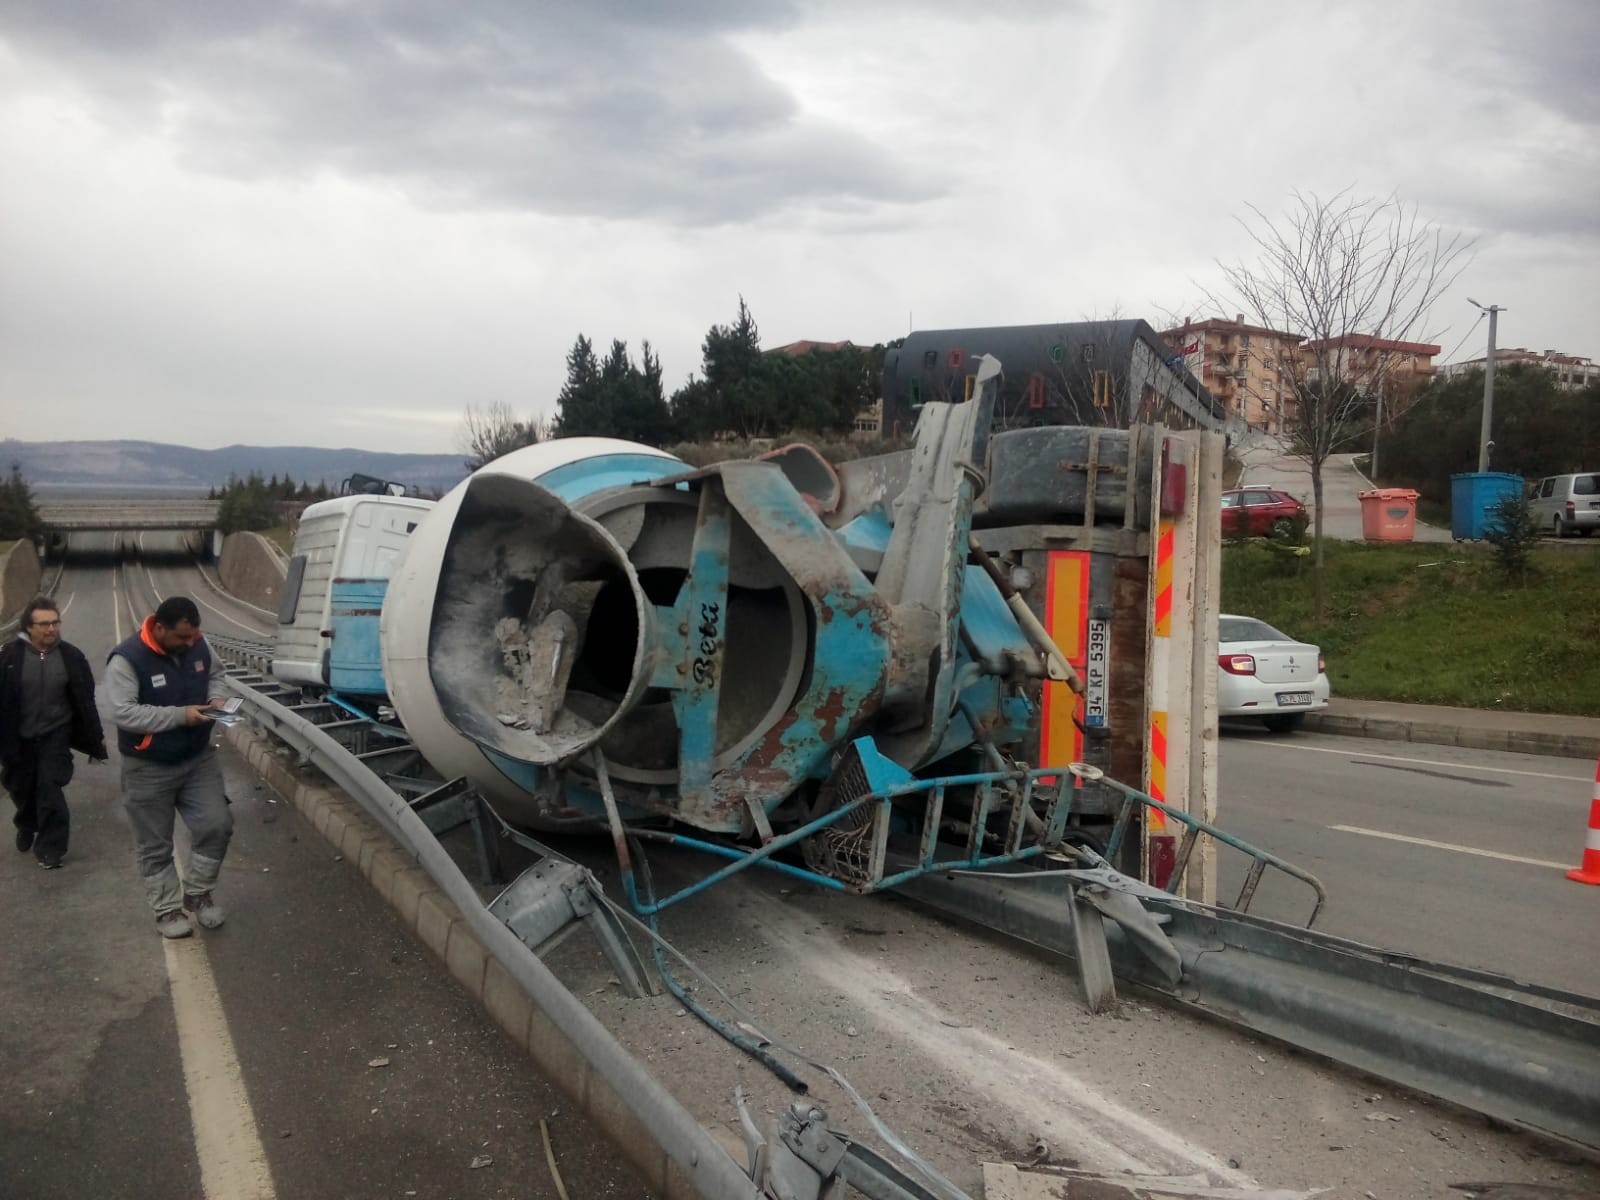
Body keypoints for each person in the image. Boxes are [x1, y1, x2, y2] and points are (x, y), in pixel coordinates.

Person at [106, 595, 234, 939]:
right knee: (154, 843)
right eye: (181, 637)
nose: (189, 643)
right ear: (159, 628)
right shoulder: (127, 659)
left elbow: (218, 675)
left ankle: (198, 893)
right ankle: (167, 910)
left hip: (197, 759)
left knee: (217, 824)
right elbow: (123, 712)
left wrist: (217, 700)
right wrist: (180, 715)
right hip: (147, 766)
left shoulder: (198, 644)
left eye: (193, 636)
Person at [0, 596, 108, 868]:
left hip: (54, 734)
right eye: (44, 624)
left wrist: (96, 735)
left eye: (55, 623)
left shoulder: (71, 657)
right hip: (18, 736)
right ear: (29, 627)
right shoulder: (10, 656)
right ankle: (27, 823)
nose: (51, 629)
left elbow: (86, 699)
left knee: (50, 788)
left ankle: (51, 849)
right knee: (20, 788)